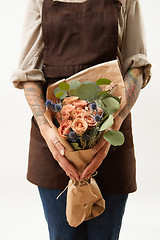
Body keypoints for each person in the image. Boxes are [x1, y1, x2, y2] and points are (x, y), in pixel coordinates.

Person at [11, 0, 151, 239]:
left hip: (110, 137)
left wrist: (112, 124)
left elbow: (136, 67)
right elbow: (29, 74)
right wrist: (49, 134)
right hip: (54, 140)